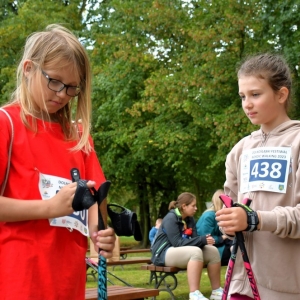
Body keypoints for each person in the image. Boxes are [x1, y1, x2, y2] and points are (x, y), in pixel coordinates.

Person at [0, 24, 115, 299]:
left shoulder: (78, 137)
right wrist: (50, 207)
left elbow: (96, 200)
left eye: (72, 87)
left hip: (67, 283)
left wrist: (100, 234)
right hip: (16, 282)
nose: (62, 94)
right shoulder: (7, 123)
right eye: (55, 81)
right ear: (28, 68)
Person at [215, 53, 300, 300]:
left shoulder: (297, 142)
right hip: (241, 284)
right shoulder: (239, 150)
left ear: (281, 95)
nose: (247, 104)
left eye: (255, 94)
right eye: (242, 96)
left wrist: (255, 219)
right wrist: (229, 224)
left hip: (287, 288)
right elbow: (230, 207)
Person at [151, 192, 224, 300]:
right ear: (184, 206)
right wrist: (201, 240)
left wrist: (205, 240)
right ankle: (194, 294)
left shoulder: (190, 219)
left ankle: (216, 291)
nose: (196, 208)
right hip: (162, 253)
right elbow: (177, 242)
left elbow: (195, 239)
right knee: (195, 252)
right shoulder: (171, 218)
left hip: (178, 251)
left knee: (213, 251)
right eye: (193, 206)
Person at [196, 189, 233, 266]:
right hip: (211, 250)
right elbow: (206, 239)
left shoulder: (218, 215)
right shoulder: (209, 216)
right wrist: (223, 237)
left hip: (220, 246)